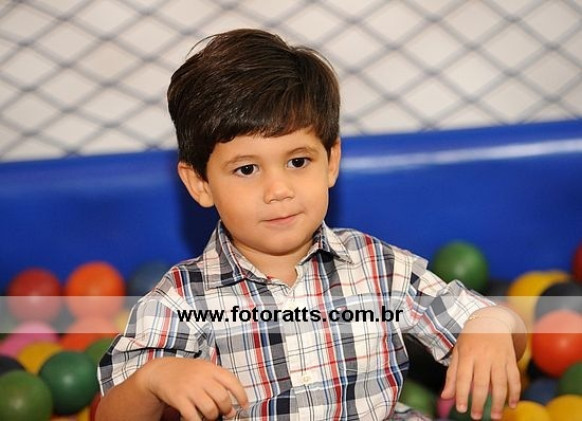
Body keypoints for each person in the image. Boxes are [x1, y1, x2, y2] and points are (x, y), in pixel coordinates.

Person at [96, 28, 526, 421]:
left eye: (298, 161)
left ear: (331, 161)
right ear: (200, 183)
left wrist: (490, 327)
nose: (278, 189)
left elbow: (504, 330)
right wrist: (154, 379)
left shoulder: (379, 269)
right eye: (246, 169)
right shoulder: (181, 301)